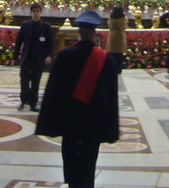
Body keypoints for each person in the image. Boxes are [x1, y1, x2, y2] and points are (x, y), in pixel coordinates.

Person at [35, 10, 119, 188]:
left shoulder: (65, 56)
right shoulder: (105, 59)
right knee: (89, 163)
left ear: (78, 32)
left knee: (71, 160)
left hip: (71, 121)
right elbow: (111, 98)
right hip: (93, 122)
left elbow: (53, 93)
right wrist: (110, 129)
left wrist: (49, 123)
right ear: (95, 33)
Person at [14, 3, 54, 110]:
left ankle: (33, 103)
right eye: (34, 12)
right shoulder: (25, 25)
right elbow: (19, 42)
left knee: (36, 82)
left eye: (38, 11)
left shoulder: (46, 27)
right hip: (26, 58)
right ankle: (23, 101)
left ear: (41, 12)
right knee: (24, 81)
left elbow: (50, 43)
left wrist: (49, 55)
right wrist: (15, 56)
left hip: (38, 59)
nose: (36, 14)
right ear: (31, 13)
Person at [106, 5, 127, 74]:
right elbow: (124, 26)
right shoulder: (122, 19)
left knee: (112, 53)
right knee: (119, 55)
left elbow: (109, 24)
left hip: (112, 36)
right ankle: (118, 69)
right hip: (120, 36)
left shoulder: (111, 19)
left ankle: (112, 68)